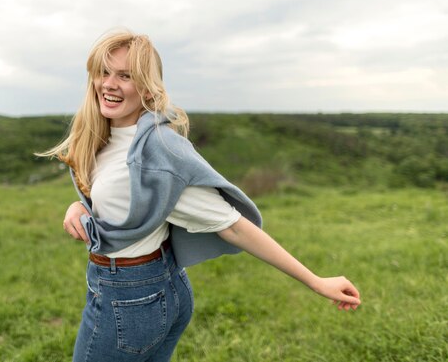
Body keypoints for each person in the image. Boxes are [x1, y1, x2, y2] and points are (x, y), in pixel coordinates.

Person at [39, 29, 361, 362]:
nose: (108, 83)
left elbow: (232, 225)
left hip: (131, 298)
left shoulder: (159, 153)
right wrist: (79, 206)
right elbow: (118, 197)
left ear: (148, 87)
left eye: (125, 76)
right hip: (150, 288)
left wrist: (315, 281)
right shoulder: (106, 137)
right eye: (103, 72)